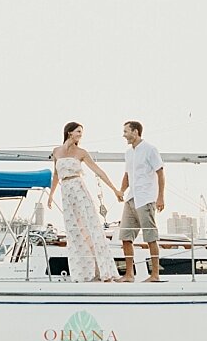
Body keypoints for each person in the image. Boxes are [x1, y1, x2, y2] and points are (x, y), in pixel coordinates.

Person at [48, 121, 123, 283]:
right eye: (79, 132)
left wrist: (115, 189)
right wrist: (51, 194)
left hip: (78, 188)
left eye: (81, 132)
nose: (81, 135)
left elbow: (98, 171)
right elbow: (55, 174)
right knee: (74, 230)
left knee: (90, 226)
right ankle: (83, 272)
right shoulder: (56, 151)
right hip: (65, 191)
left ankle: (104, 270)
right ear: (70, 133)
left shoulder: (81, 152)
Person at [117, 119, 165, 282]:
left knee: (150, 237)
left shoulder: (150, 149)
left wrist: (160, 198)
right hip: (131, 199)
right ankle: (129, 275)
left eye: (126, 131)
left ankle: (155, 275)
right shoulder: (128, 153)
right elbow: (127, 175)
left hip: (146, 198)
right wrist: (121, 190)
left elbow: (160, 173)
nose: (124, 135)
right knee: (125, 237)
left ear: (135, 131)